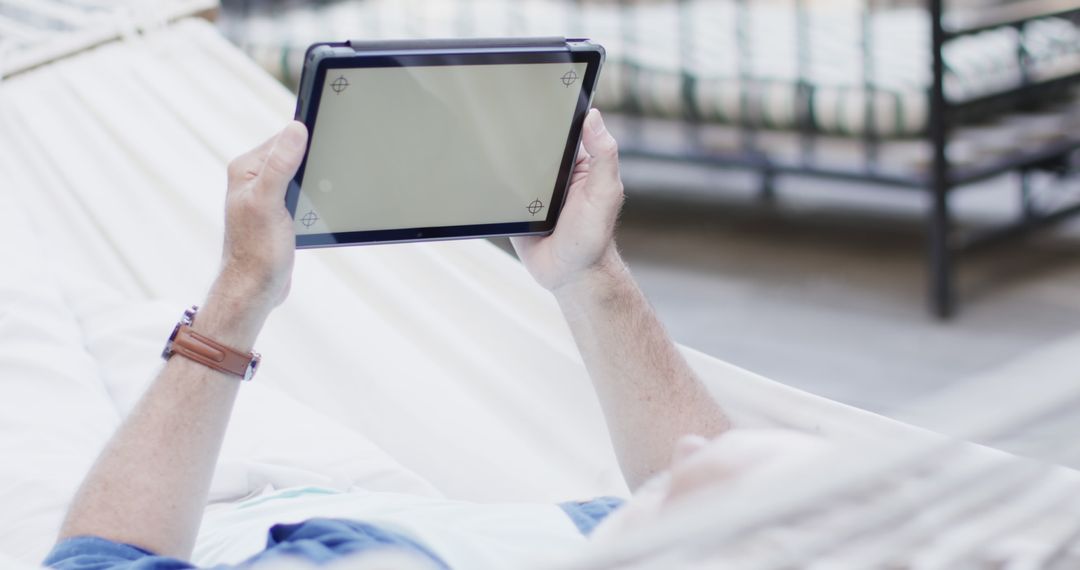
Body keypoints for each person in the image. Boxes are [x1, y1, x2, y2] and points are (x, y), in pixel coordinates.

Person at [42, 110, 791, 570]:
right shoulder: (625, 538)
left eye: (714, 472)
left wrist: (239, 291)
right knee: (97, 307)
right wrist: (589, 270)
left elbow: (100, 560)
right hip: (329, 486)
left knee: (37, 300)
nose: (693, 451)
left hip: (182, 504)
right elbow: (750, 521)